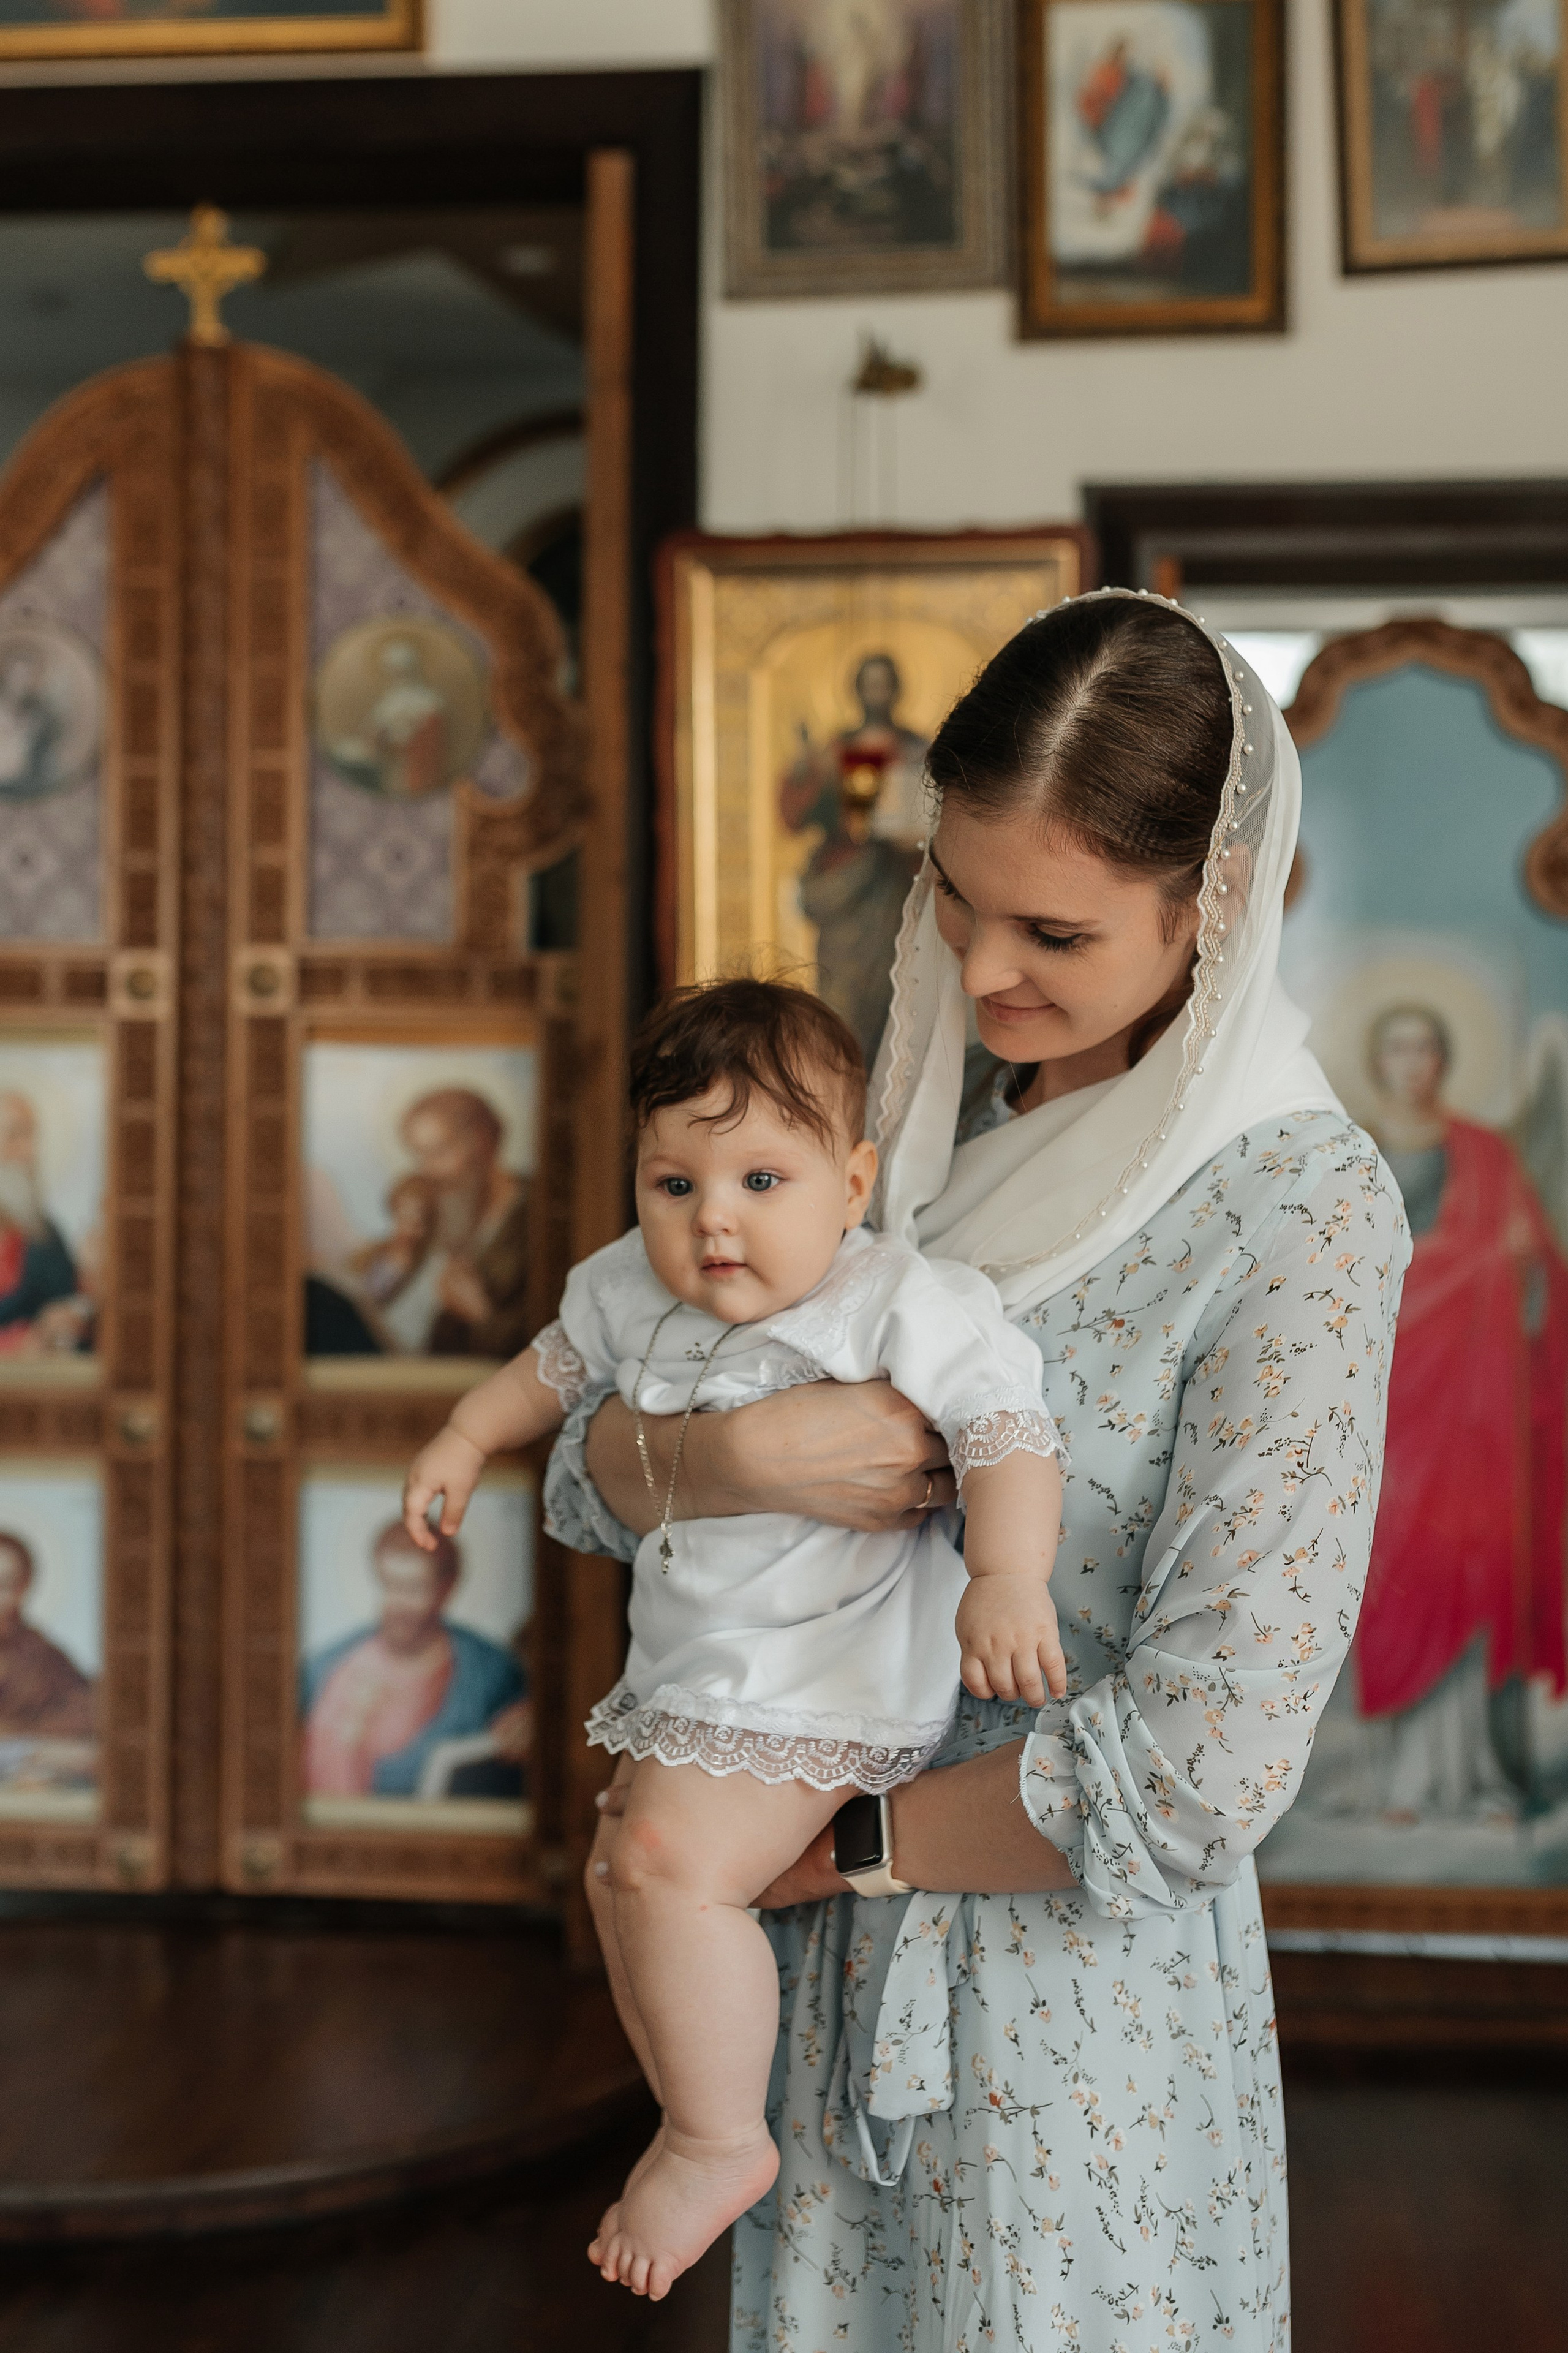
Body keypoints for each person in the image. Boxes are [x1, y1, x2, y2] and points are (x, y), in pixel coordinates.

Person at [557, 591, 1411, 2350]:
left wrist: (843, 1843)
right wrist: (729, 1453)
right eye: (955, 895)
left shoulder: (1296, 1213)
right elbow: (587, 1477)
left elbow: (1208, 1759)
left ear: (1215, 905)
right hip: (794, 1968)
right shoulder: (900, 1131)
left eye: (1057, 930)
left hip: (1067, 2020)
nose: (983, 964)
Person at [401, 977, 1068, 2302]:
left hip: (824, 1677)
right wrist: (467, 1436)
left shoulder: (891, 1298)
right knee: (618, 1878)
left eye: (763, 1178)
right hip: (705, 1676)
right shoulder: (629, 1289)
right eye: (672, 1184)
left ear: (852, 1179)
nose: (712, 1222)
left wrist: (1006, 1576)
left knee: (661, 1866)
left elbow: (1004, 1428)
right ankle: (687, 2121)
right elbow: (553, 1365)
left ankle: (716, 2137)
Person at [1356, 1002, 1567, 1815]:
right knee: (1401, 1579)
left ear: (1444, 1060)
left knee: (1479, 1569)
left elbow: (1538, 1272)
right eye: (1399, 1047)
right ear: (1379, 1061)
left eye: (1427, 1048)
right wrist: (1472, 1262)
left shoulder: (1485, 1153)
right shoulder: (1352, 1152)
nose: (1415, 1063)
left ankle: (1485, 1771)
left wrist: (1520, 1264)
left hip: (1477, 1411)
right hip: (1388, 1403)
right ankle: (1405, 1778)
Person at [299, 1520, 529, 1799]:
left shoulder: (490, 1673)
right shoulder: (325, 1666)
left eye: (416, 1589)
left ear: (446, 1589)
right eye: (390, 1585)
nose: (399, 1602)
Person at [779, 652, 928, 1068]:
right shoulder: (837, 749)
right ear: (857, 690)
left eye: (885, 683)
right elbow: (796, 814)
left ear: (896, 689)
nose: (877, 692)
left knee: (894, 999)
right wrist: (808, 771)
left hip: (898, 888)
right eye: (869, 683)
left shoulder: (917, 748)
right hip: (848, 889)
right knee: (842, 1000)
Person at [0, 1531, 94, 1742]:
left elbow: (88, 1710)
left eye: (5, 1585)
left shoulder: (44, 1657)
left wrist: (19, 1733)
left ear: (22, 1589)